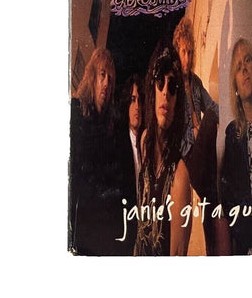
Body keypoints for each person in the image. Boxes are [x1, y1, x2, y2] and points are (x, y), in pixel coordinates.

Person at [69, 48, 136, 255]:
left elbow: (127, 185)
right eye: (102, 75)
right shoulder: (75, 113)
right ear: (92, 77)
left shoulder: (115, 127)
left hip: (106, 236)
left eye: (110, 79)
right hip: (79, 232)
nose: (106, 83)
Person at [134, 40, 191, 256]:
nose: (165, 91)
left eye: (172, 86)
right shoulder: (144, 142)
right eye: (160, 81)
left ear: (178, 101)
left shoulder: (180, 177)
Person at [173, 16, 220, 254]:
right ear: (177, 52)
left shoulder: (196, 82)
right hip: (188, 156)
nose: (187, 58)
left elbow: (213, 106)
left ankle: (213, 252)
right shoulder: (173, 85)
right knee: (211, 192)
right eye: (183, 52)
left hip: (202, 153)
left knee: (211, 197)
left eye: (190, 52)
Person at [220, 38, 252, 255]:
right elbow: (228, 197)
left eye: (248, 61)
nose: (244, 69)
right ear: (236, 87)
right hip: (243, 247)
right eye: (238, 67)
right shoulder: (232, 134)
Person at [121, 73, 144, 192]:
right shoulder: (120, 144)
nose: (137, 107)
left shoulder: (147, 144)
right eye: (133, 100)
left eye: (140, 101)